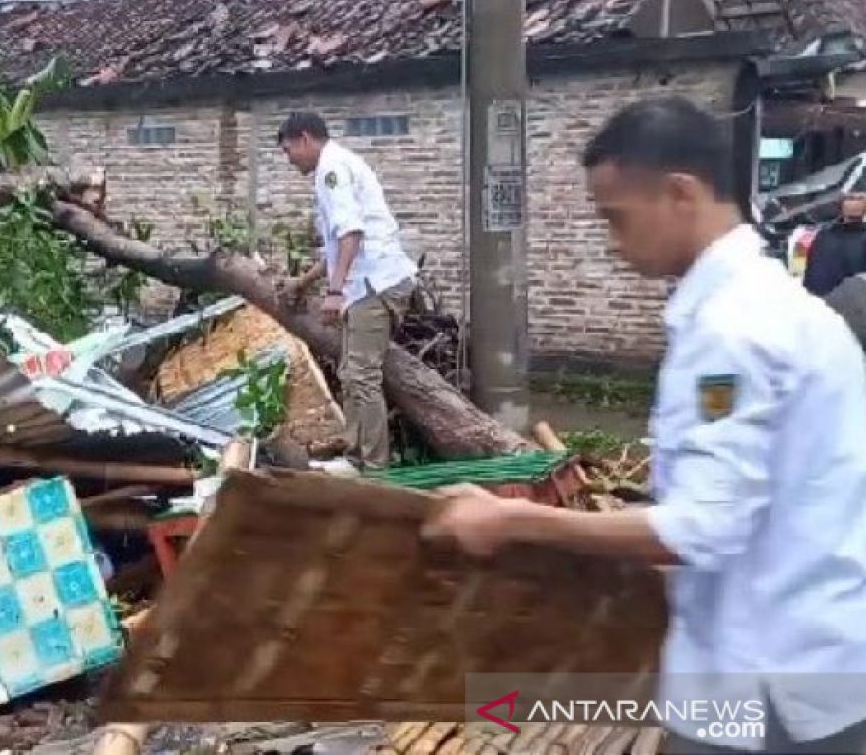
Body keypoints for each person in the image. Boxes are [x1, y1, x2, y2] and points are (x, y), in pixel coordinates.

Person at [422, 97, 866, 755]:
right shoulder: (782, 311)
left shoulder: (734, 332)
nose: (613, 241)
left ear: (680, 194)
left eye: (617, 218)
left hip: (767, 685)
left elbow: (703, 527)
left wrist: (510, 520)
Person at [276, 111, 418, 470]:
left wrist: (335, 292)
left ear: (305, 139)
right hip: (370, 281)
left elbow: (351, 233)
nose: (288, 158)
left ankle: (374, 468)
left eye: (288, 149)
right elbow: (340, 245)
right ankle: (356, 457)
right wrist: (304, 282)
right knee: (350, 373)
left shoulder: (331, 170)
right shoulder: (337, 164)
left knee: (361, 376)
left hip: (375, 282)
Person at [801, 191, 866, 297]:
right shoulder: (823, 235)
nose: (854, 202)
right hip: (829, 303)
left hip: (833, 304)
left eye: (859, 199)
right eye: (851, 198)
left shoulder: (823, 235)